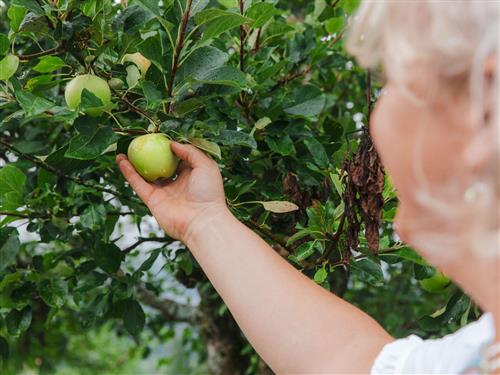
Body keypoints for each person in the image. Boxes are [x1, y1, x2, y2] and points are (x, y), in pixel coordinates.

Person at [116, 1, 499, 373]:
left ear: (482, 105)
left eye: (394, 79)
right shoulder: (478, 355)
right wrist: (203, 222)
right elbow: (344, 360)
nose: (405, 230)